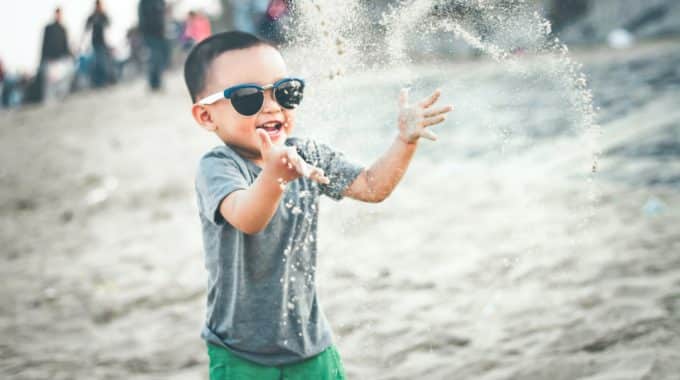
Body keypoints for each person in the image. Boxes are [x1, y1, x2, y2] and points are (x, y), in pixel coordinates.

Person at [184, 31, 453, 379]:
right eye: (249, 98)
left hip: (310, 345)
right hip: (240, 352)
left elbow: (373, 186)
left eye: (285, 92)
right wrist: (275, 175)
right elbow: (247, 218)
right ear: (207, 117)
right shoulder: (219, 167)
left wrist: (404, 141)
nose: (272, 106)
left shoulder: (307, 154)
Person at [138, 0, 169, 91]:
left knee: (160, 58)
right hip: (149, 34)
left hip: (160, 34)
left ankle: (157, 82)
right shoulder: (144, 2)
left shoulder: (159, 1)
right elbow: (141, 19)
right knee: (154, 58)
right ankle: (154, 84)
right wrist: (143, 34)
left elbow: (163, 14)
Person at [85, 0, 113, 87]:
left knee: (103, 62)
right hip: (95, 43)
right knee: (96, 62)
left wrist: (101, 21)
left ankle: (104, 81)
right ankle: (98, 82)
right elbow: (86, 27)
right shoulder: (92, 16)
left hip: (102, 42)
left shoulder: (103, 15)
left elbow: (108, 24)